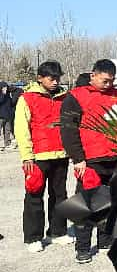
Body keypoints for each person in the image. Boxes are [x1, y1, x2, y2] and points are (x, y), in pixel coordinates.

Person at [60, 59, 117, 264]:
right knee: (86, 204)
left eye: (111, 81)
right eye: (105, 80)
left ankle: (105, 239)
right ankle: (83, 247)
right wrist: (78, 158)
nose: (108, 85)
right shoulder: (75, 97)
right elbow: (68, 130)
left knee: (110, 201)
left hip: (114, 157)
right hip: (90, 159)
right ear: (93, 76)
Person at [15, 61, 72, 252]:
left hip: (61, 154)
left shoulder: (65, 97)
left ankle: (58, 232)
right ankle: (33, 237)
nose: (55, 82)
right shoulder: (27, 98)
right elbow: (21, 128)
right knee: (34, 195)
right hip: (37, 156)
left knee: (60, 195)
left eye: (58, 78)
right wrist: (27, 156)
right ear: (40, 78)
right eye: (51, 78)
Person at [0, 82, 14, 151]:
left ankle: (7, 144)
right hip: (1, 116)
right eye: (4, 87)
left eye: (6, 87)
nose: (5, 88)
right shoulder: (2, 94)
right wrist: (3, 94)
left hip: (8, 116)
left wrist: (11, 96)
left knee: (7, 131)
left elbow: (11, 103)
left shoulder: (8, 94)